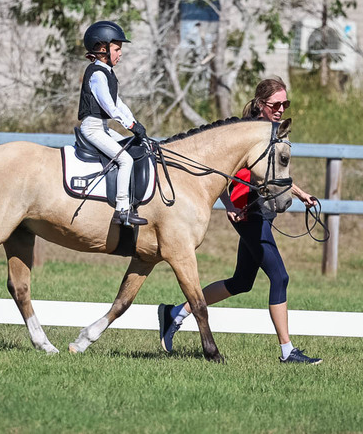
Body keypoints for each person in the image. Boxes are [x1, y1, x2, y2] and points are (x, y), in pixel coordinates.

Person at [157, 75, 322, 364]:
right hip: (247, 212)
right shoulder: (244, 132)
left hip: (261, 211)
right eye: (276, 104)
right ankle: (287, 351)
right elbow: (216, 171)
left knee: (242, 281)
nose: (281, 109)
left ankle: (175, 313)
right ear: (261, 103)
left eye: (285, 104)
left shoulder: (272, 133)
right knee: (280, 277)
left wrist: (300, 193)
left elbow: (273, 174)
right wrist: (229, 204)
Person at [78, 20, 148, 226]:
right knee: (125, 160)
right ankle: (122, 210)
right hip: (92, 129)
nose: (120, 53)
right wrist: (131, 126)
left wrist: (135, 123)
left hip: (103, 128)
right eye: (117, 49)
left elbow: (118, 103)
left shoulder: (107, 72)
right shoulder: (97, 74)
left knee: (135, 146)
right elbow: (109, 107)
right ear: (103, 49)